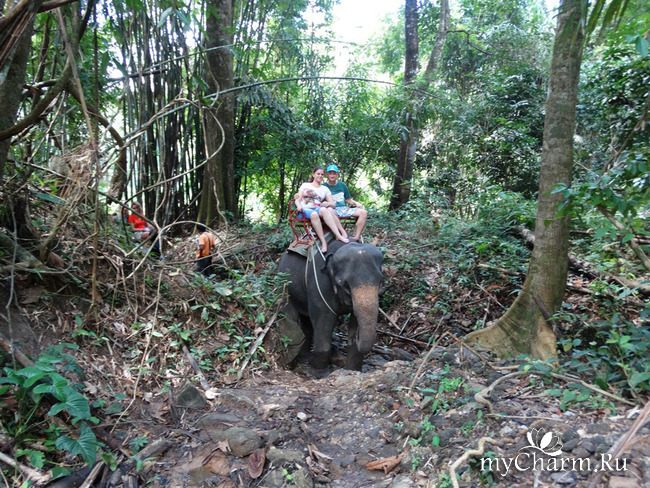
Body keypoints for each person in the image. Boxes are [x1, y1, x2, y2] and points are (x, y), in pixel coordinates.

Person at [295, 166, 349, 253]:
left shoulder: (325, 189)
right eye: (318, 174)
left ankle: (338, 235)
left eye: (322, 174)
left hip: (317, 209)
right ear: (313, 174)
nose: (320, 176)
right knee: (314, 214)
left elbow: (333, 204)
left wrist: (328, 203)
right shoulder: (305, 185)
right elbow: (297, 199)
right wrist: (298, 206)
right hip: (305, 210)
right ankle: (323, 241)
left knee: (324, 210)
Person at [324, 164, 368, 242]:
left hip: (343, 209)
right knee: (329, 210)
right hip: (332, 210)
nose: (332, 175)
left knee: (363, 212)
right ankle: (341, 233)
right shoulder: (323, 186)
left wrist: (356, 203)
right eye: (330, 173)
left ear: (337, 174)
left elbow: (348, 200)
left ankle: (356, 237)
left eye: (334, 173)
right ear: (327, 175)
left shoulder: (342, 185)